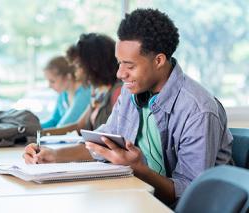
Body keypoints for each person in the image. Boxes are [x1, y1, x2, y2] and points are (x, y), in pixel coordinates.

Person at [24, 9, 233, 205]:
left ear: (159, 60)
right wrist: (53, 155)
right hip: (141, 197)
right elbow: (103, 143)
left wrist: (137, 168)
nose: (120, 74)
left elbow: (190, 192)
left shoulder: (198, 110)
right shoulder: (132, 91)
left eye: (129, 65)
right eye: (119, 63)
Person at [41, 33, 122, 135]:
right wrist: (39, 134)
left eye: (78, 65)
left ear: (94, 64)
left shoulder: (118, 92)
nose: (75, 71)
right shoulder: (97, 92)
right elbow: (80, 126)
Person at [41, 56, 91, 128]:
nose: (49, 86)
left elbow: (63, 126)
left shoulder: (85, 93)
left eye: (52, 81)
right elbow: (54, 121)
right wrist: (33, 128)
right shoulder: (63, 94)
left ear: (68, 76)